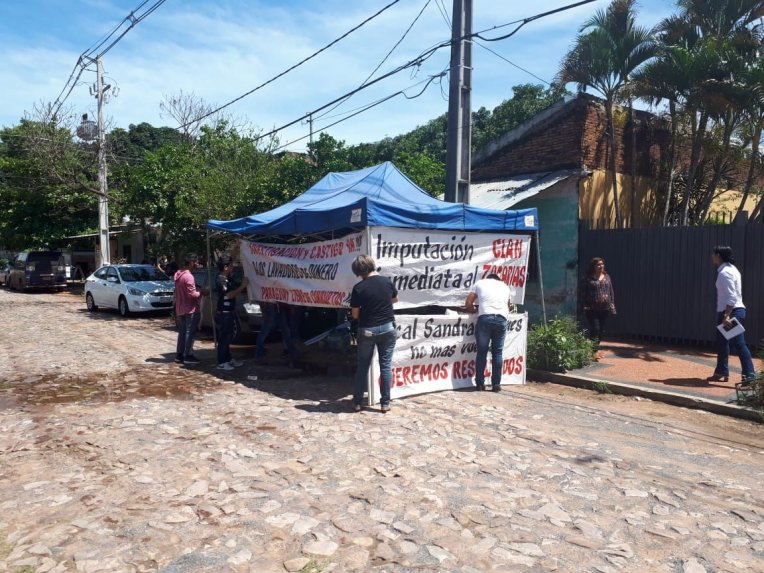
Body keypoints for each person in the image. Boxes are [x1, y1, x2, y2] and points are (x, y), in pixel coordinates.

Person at [350, 255, 398, 412]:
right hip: (388, 328)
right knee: (385, 366)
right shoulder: (387, 282)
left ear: (358, 272)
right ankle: (385, 403)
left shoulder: (358, 288)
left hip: (367, 330)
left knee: (363, 366)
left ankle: (357, 402)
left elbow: (355, 315)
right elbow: (394, 300)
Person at [708, 246, 755, 383]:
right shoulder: (731, 269)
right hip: (729, 311)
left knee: (739, 344)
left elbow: (731, 296)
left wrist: (726, 316)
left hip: (731, 312)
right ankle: (721, 371)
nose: (712, 256)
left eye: (713, 254)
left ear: (718, 255)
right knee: (722, 342)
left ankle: (750, 375)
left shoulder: (725, 272)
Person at [465, 273, 510, 392]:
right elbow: (508, 305)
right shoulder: (505, 286)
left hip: (485, 319)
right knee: (498, 353)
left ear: (487, 278)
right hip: (501, 319)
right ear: (498, 280)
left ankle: (480, 384)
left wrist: (475, 310)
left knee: (482, 352)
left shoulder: (479, 283)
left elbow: (468, 303)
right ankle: (496, 385)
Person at [214, 258, 249, 371]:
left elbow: (229, 257)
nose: (232, 267)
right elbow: (229, 295)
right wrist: (242, 287)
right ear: (225, 267)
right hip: (224, 313)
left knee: (228, 337)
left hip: (230, 311)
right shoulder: (220, 279)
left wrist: (235, 248)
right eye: (230, 266)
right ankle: (222, 362)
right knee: (223, 338)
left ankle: (228, 359)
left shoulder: (227, 277)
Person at [578, 257, 616, 347]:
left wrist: (612, 305)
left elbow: (610, 291)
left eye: (602, 264)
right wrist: (583, 306)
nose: (601, 266)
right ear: (593, 267)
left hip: (605, 309)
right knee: (595, 329)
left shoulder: (607, 277)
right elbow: (581, 293)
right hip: (591, 309)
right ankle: (592, 350)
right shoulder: (587, 279)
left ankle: (594, 350)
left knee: (601, 331)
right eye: (598, 264)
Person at [174, 254, 203, 365]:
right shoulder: (188, 276)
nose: (197, 264)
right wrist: (202, 293)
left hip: (180, 308)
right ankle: (188, 355)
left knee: (182, 332)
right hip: (190, 308)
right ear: (191, 262)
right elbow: (192, 295)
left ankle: (179, 355)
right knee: (189, 333)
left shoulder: (177, 275)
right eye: (196, 262)